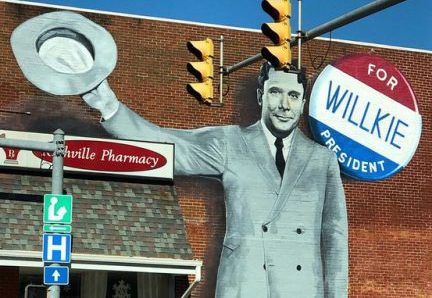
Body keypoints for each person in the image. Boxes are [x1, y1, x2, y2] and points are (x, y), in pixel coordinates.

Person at [83, 62, 348, 298]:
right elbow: (170, 145)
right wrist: (110, 106)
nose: (284, 105)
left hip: (301, 288)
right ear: (260, 96)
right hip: (244, 284)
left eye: (293, 95)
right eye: (275, 92)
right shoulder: (231, 142)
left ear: (303, 103)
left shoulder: (322, 160)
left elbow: (335, 238)